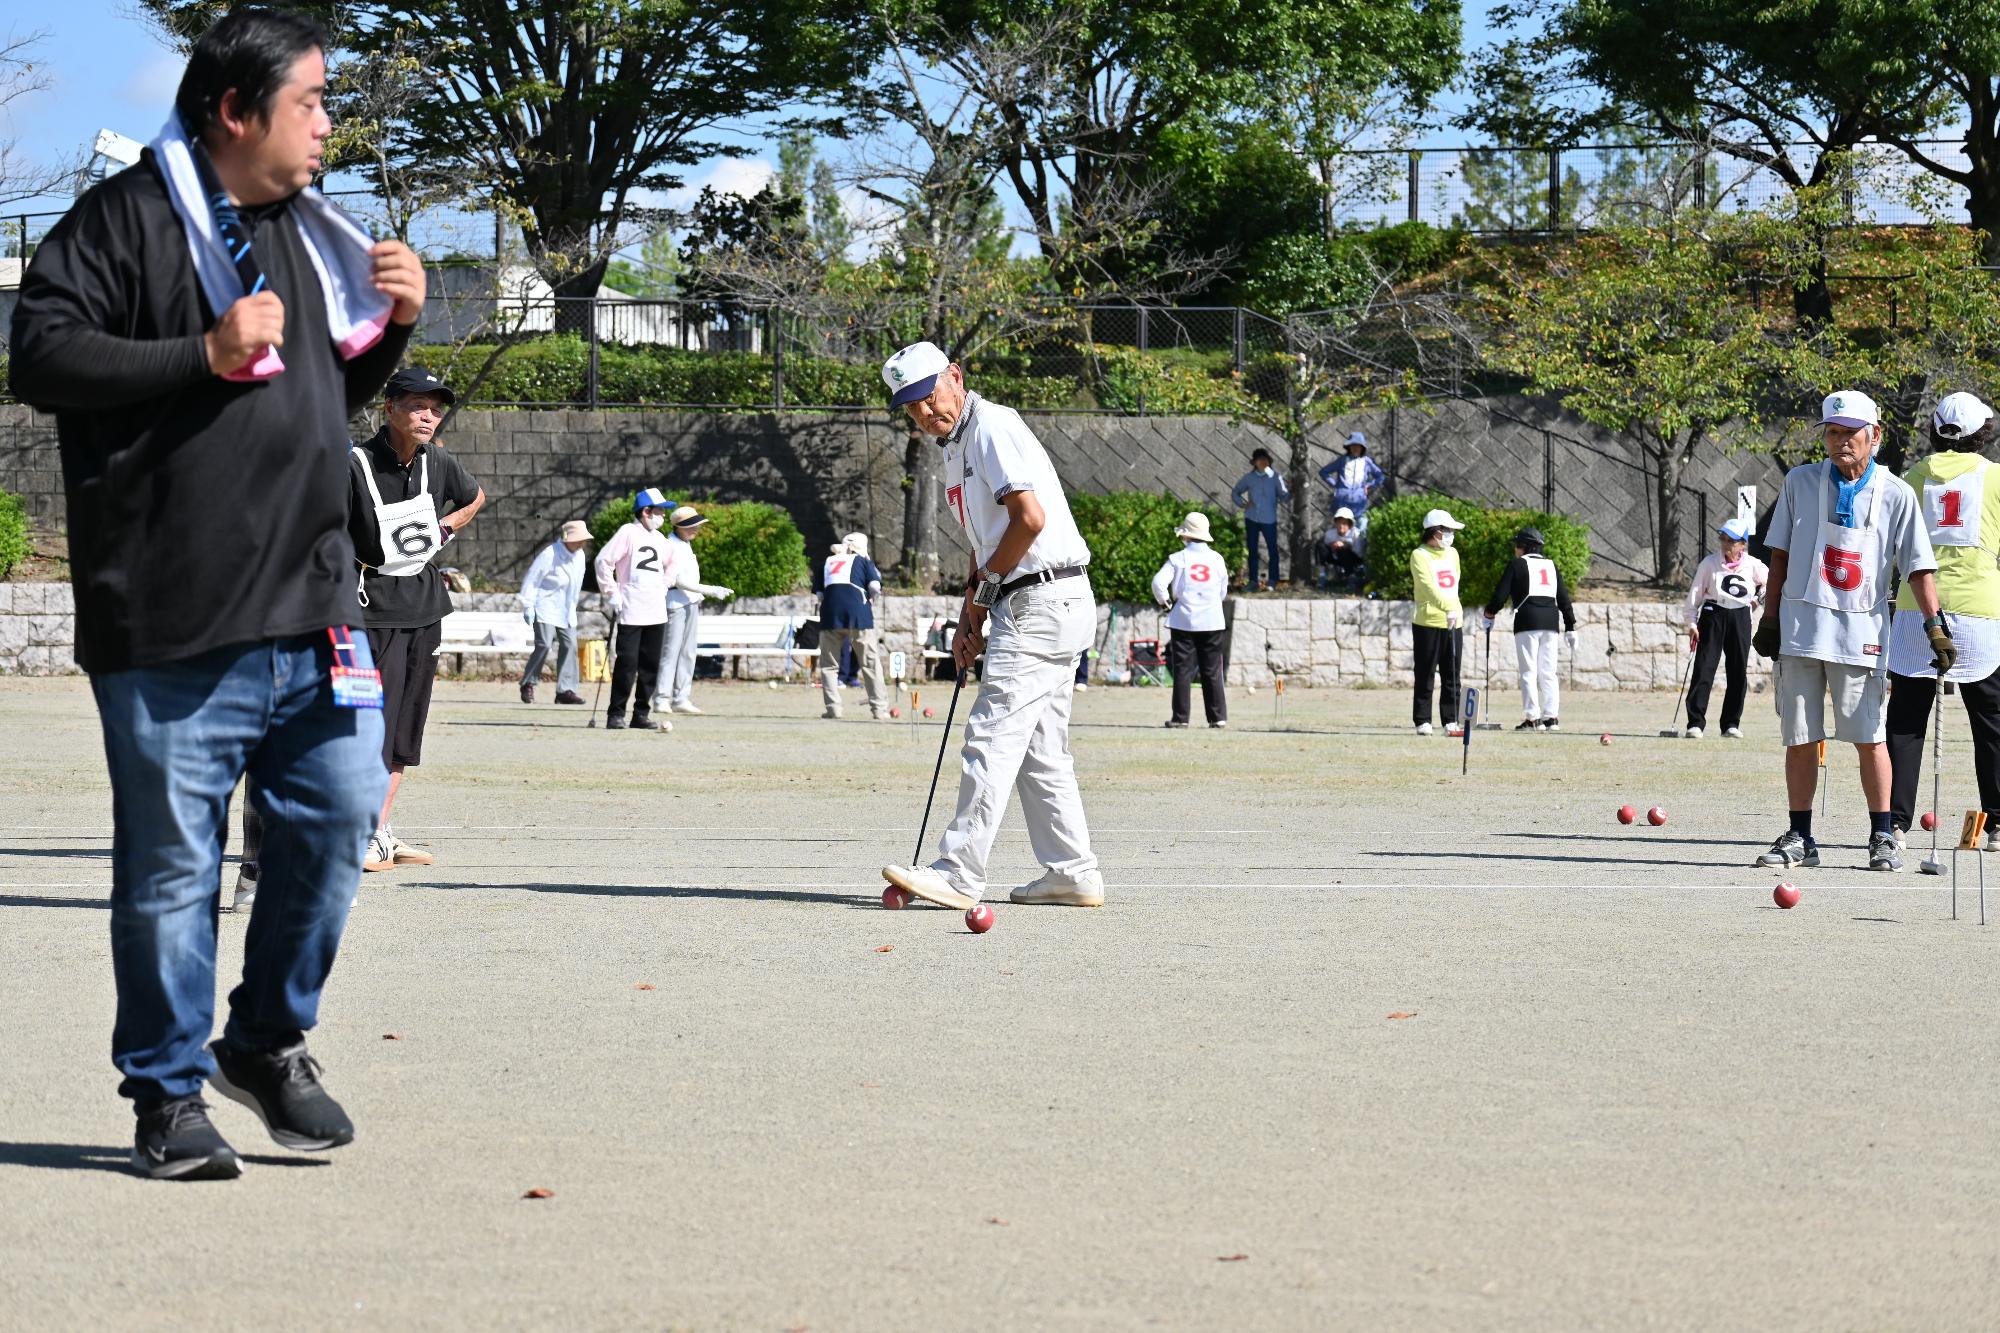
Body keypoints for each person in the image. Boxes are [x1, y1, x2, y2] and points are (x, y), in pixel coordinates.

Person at [8, 7, 427, 1179]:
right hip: (174, 615)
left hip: (314, 607)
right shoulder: (124, 220)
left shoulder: (313, 227)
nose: (327, 126)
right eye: (311, 103)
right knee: (171, 873)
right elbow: (37, 355)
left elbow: (323, 391)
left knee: (340, 824)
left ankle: (264, 1040)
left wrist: (395, 323)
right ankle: (167, 1094)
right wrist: (197, 351)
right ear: (235, 111)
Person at [876, 340, 1104, 910]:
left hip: (1040, 602)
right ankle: (1071, 872)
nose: (925, 413)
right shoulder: (956, 447)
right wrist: (969, 614)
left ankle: (958, 871)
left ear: (955, 376)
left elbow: (1029, 521)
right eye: (911, 407)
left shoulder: (992, 427)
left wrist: (989, 591)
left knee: (991, 737)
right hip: (1040, 599)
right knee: (1040, 751)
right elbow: (989, 540)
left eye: (929, 397)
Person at [1753, 390, 1950, 873]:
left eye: (1852, 434)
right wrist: (1771, 616)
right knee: (1799, 736)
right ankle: (1800, 835)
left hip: (1861, 632)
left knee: (1869, 736)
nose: (1842, 443)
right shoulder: (1799, 482)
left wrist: (1934, 626)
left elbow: (1919, 568)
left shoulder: (1898, 493)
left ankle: (1882, 833)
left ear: (1875, 436)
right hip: (1801, 630)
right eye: (1833, 433)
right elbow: (1778, 554)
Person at [348, 367, 483, 873]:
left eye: (435, 407)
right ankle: (354, 829)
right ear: (391, 409)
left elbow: (474, 497)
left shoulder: (439, 462)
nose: (428, 415)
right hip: (366, 610)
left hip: (424, 608)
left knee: (405, 727)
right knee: (366, 725)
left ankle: (377, 830)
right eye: (417, 406)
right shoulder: (355, 464)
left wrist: (446, 526)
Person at [1888, 393, 2000, 849]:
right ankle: (1996, 823)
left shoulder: (1910, 478)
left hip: (1917, 607)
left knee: (1905, 721)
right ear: (1984, 433)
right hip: (1979, 610)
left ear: (1934, 430)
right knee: (1991, 720)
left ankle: (1892, 824)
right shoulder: (1995, 477)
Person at [1481, 526, 1577, 732]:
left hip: (1527, 621)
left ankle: (1532, 718)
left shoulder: (1517, 564)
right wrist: (1570, 625)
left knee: (1528, 671)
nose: (1515, 549)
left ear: (1525, 547)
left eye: (1517, 545)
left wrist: (1489, 613)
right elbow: (1563, 598)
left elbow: (1500, 595)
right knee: (1548, 672)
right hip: (1551, 623)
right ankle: (1551, 718)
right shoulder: (1552, 566)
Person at [595, 488, 674, 730]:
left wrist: (665, 585)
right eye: (660, 511)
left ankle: (641, 713)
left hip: (656, 610)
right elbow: (603, 561)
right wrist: (612, 592)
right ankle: (616, 713)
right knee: (627, 663)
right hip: (630, 608)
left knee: (650, 665)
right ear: (646, 512)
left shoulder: (662, 540)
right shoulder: (628, 532)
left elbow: (672, 566)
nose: (663, 516)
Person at [1681, 518, 1768, 739]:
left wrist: (1757, 600)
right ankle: (1695, 723)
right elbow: (1694, 596)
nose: (1726, 544)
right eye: (1724, 539)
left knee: (1738, 670)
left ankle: (1730, 723)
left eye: (1732, 541)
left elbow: (1772, 581)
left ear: (1743, 544)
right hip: (1713, 614)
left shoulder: (1753, 564)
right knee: (1704, 668)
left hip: (1740, 615)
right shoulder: (1709, 564)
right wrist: (1692, 623)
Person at [653, 504, 734, 716]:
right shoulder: (671, 545)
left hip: (690, 603)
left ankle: (681, 697)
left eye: (696, 525)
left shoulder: (685, 544)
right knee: (670, 652)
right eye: (691, 526)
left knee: (688, 652)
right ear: (678, 527)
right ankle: (662, 698)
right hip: (675, 604)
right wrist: (709, 589)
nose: (695, 529)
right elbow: (677, 580)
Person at [1152, 511, 1229, 729]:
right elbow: (1223, 589)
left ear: (1185, 536)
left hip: (1183, 619)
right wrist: (1212, 603)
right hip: (1212, 619)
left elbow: (1158, 583)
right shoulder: (1217, 559)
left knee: (1183, 670)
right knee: (1213, 669)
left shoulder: (1178, 558)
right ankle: (1217, 717)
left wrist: (1165, 603)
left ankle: (1181, 718)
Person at [517, 520, 591, 705]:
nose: (581, 543)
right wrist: (528, 605)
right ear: (566, 539)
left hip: (567, 609)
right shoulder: (549, 554)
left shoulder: (580, 555)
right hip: (544, 606)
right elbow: (532, 579)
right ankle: (528, 683)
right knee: (544, 644)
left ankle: (565, 690)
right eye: (578, 540)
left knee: (570, 645)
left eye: (583, 540)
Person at [1410, 507, 1465, 737]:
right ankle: (1423, 719)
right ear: (1435, 532)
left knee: (1452, 673)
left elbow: (1455, 583)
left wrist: (1454, 609)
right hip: (1428, 621)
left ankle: (1451, 719)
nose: (1451, 534)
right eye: (1448, 530)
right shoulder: (1419, 555)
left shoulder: (1452, 554)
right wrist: (1447, 606)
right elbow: (1428, 588)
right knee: (1426, 672)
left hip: (1454, 621)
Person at [1230, 447, 1289, 589]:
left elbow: (1284, 496)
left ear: (1269, 461)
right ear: (1254, 462)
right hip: (1251, 518)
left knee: (1272, 550)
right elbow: (1235, 492)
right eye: (1259, 459)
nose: (1263, 462)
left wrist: (1288, 491)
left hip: (1269, 518)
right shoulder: (1249, 478)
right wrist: (1243, 504)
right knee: (1252, 550)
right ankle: (1253, 581)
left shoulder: (1275, 477)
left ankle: (1273, 581)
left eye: (1265, 459)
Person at [1320, 431, 1384, 528]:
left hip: (1359, 501)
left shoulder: (1366, 461)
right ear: (1349, 447)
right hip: (1342, 500)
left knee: (1362, 527)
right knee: (1342, 530)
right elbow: (1324, 472)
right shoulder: (1342, 460)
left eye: (1358, 445)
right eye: (1353, 445)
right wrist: (1336, 485)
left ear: (1362, 447)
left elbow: (1380, 476)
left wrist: (1369, 485)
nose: (1355, 448)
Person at [1322, 506, 1366, 590]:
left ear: (1349, 525)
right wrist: (1332, 545)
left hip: (1353, 559)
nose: (1341, 526)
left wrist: (1346, 545)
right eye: (1339, 523)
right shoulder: (1330, 534)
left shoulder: (1355, 533)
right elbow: (1324, 548)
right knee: (1320, 546)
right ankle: (1322, 575)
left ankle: (1351, 577)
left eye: (1344, 523)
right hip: (1336, 557)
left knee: (1343, 550)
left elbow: (1359, 553)